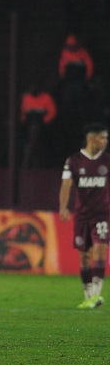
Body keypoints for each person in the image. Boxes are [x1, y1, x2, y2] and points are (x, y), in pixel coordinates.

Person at [58, 122, 110, 309]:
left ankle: (96, 295)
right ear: (91, 138)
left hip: (102, 214)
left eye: (106, 138)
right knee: (84, 256)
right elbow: (66, 185)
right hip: (82, 215)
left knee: (100, 250)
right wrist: (63, 207)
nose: (105, 141)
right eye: (102, 137)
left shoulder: (107, 161)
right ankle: (88, 295)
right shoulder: (73, 161)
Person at [20, 84, 57, 168]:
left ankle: (28, 162)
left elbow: (52, 112)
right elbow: (23, 114)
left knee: (35, 132)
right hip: (28, 125)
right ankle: (28, 161)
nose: (33, 90)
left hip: (42, 125)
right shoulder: (26, 98)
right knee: (31, 135)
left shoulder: (46, 97)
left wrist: (44, 121)